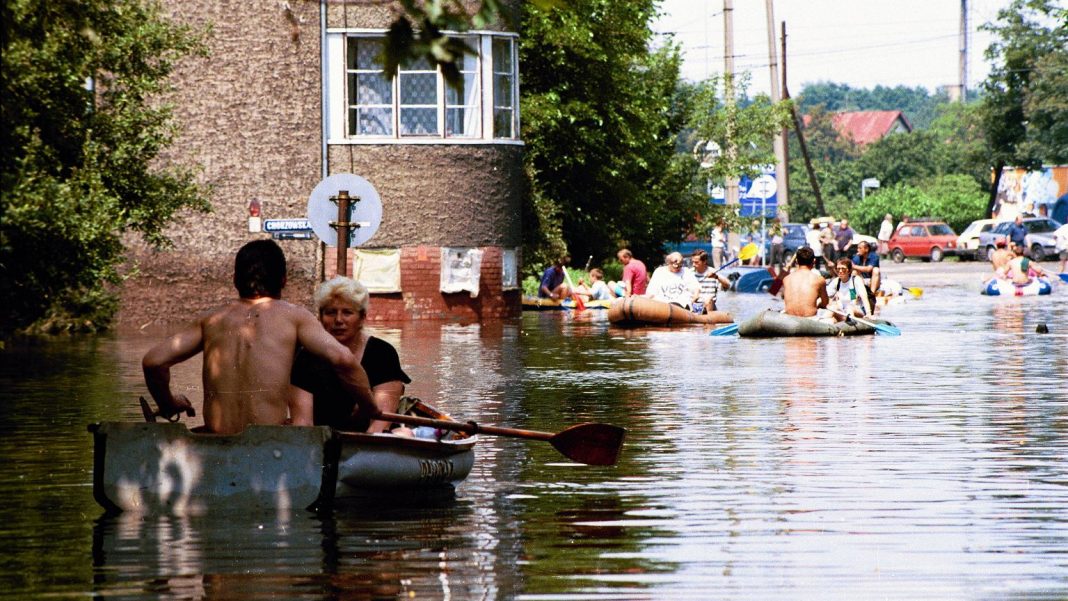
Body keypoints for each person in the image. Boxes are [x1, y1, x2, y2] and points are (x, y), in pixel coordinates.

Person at [142, 240, 377, 435]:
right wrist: (368, 407)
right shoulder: (294, 317)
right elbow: (344, 360)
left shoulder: (211, 319)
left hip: (216, 442)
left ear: (235, 279)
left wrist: (168, 403)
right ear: (284, 280)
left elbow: (153, 361)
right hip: (267, 446)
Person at [291, 277, 411, 434]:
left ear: (362, 318)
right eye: (330, 312)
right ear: (320, 317)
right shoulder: (306, 357)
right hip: (321, 440)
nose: (338, 320)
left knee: (404, 434)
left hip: (369, 441)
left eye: (347, 312)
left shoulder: (382, 353)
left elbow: (379, 425)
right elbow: (302, 423)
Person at [781, 247, 830, 318]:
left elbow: (776, 291)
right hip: (809, 321)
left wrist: (787, 267)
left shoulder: (786, 278)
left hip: (789, 320)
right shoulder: (819, 279)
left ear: (797, 261)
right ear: (814, 261)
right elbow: (825, 304)